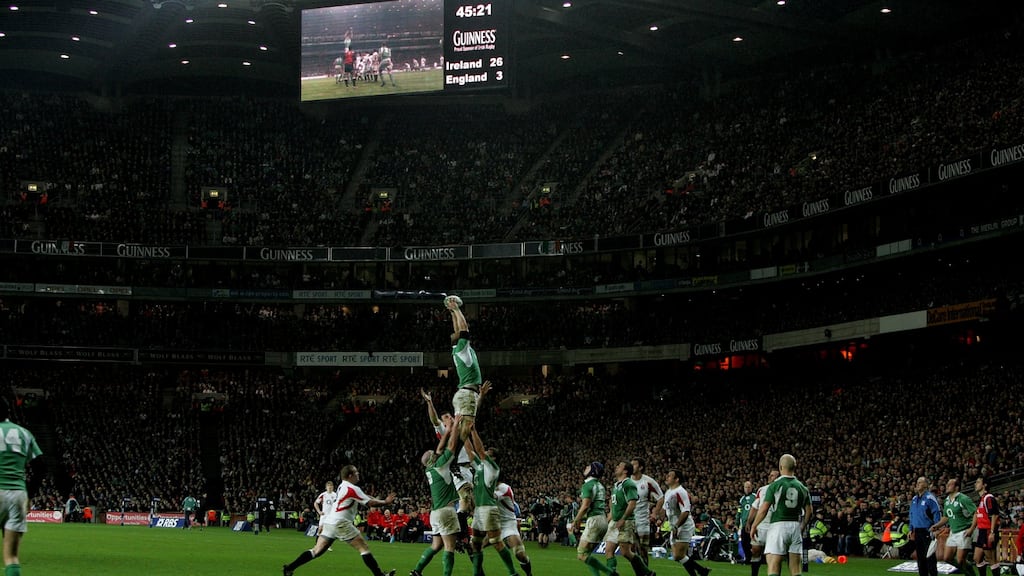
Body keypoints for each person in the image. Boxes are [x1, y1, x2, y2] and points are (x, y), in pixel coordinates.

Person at [281, 464, 397, 576]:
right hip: (341, 523)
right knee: (363, 548)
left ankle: (289, 568)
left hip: (330, 522)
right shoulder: (352, 488)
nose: (358, 474)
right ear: (350, 475)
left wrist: (381, 500)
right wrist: (385, 502)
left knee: (317, 550)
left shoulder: (343, 486)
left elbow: (365, 496)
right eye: (356, 472)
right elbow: (370, 502)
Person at [464, 423, 519, 576]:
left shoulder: (493, 468)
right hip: (479, 510)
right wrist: (463, 435)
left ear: (493, 458)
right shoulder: (480, 466)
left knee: (496, 543)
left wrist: (473, 430)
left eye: (489, 452)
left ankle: (513, 572)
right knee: (475, 544)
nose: (486, 452)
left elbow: (480, 451)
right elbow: (470, 452)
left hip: (488, 508)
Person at [410, 417, 461, 576]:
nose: (436, 451)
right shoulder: (440, 465)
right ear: (433, 458)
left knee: (436, 545)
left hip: (435, 513)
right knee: (449, 547)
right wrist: (456, 426)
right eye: (434, 453)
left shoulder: (430, 469)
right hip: (446, 510)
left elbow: (439, 449)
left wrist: (446, 431)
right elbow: (451, 446)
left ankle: (417, 571)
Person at [750, 454, 812, 576]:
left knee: (773, 563)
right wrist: (803, 525)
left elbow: (764, 509)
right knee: (795, 568)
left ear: (781, 467)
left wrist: (754, 525)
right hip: (795, 526)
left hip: (778, 526)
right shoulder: (802, 487)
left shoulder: (775, 485)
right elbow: (809, 511)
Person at [0, 396, 42, 576]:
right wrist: (30, 494)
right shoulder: (24, 433)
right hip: (17, 494)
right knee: (11, 556)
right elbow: (40, 468)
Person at [604, 460, 654, 576]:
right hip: (615, 522)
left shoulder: (628, 484)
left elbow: (632, 503)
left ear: (625, 471)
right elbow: (613, 503)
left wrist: (623, 519)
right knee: (608, 550)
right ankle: (612, 573)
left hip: (625, 522)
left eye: (619, 466)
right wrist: (609, 518)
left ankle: (648, 573)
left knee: (626, 552)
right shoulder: (617, 485)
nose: (616, 467)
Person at [659, 468, 708, 576]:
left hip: (683, 525)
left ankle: (700, 571)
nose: (667, 477)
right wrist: (660, 519)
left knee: (678, 555)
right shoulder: (668, 492)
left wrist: (677, 526)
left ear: (676, 479)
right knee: (678, 556)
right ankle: (702, 571)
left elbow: (685, 511)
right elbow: (664, 508)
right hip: (674, 526)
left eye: (670, 476)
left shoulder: (681, 492)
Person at [930, 478, 978, 576]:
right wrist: (937, 525)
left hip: (964, 530)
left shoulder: (964, 499)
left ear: (956, 487)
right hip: (953, 531)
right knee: (947, 558)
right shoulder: (947, 501)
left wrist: (971, 528)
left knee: (960, 560)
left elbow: (976, 513)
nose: (947, 486)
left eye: (950, 484)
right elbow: (946, 517)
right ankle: (969, 573)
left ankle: (970, 574)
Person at [572, 461, 611, 576]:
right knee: (587, 554)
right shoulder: (600, 485)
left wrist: (576, 521)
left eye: (589, 467)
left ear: (593, 470)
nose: (586, 467)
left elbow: (585, 506)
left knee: (581, 554)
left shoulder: (588, 485)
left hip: (594, 520)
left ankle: (610, 572)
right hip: (602, 520)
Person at [494, 481, 533, 576]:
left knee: (520, 554)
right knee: (476, 546)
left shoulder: (505, 490)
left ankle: (529, 574)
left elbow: (491, 498)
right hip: (494, 525)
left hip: (508, 525)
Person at [631, 458, 664, 567]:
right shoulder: (626, 481)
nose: (631, 466)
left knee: (643, 549)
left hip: (642, 519)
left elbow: (660, 498)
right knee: (630, 549)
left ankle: (645, 572)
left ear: (640, 467)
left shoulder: (648, 482)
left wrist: (655, 513)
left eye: (634, 464)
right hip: (629, 519)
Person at [746, 469, 779, 576]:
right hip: (761, 525)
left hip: (775, 526)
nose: (770, 477)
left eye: (773, 475)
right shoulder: (762, 490)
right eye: (770, 475)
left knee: (774, 555)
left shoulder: (782, 490)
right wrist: (749, 522)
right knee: (755, 550)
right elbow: (755, 507)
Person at [973, 477, 1000, 576]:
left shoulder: (988, 498)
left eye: (978, 482)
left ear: (984, 485)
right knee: (977, 558)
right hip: (981, 531)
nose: (975, 484)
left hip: (988, 530)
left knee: (991, 558)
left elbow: (994, 515)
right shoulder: (982, 498)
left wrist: (992, 532)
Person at [315, 480, 338, 549]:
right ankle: (317, 544)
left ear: (333, 487)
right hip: (324, 515)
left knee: (330, 531)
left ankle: (328, 545)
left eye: (331, 486)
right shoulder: (323, 495)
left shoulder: (335, 495)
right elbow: (316, 503)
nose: (330, 487)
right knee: (320, 529)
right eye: (328, 486)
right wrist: (319, 512)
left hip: (332, 516)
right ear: (326, 487)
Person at [737, 481, 756, 564]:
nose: (747, 489)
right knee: (745, 542)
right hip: (744, 524)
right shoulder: (742, 499)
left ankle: (756, 558)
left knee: (754, 542)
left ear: (751, 488)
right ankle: (748, 558)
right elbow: (739, 511)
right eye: (745, 487)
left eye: (748, 487)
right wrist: (737, 522)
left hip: (753, 523)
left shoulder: (755, 497)